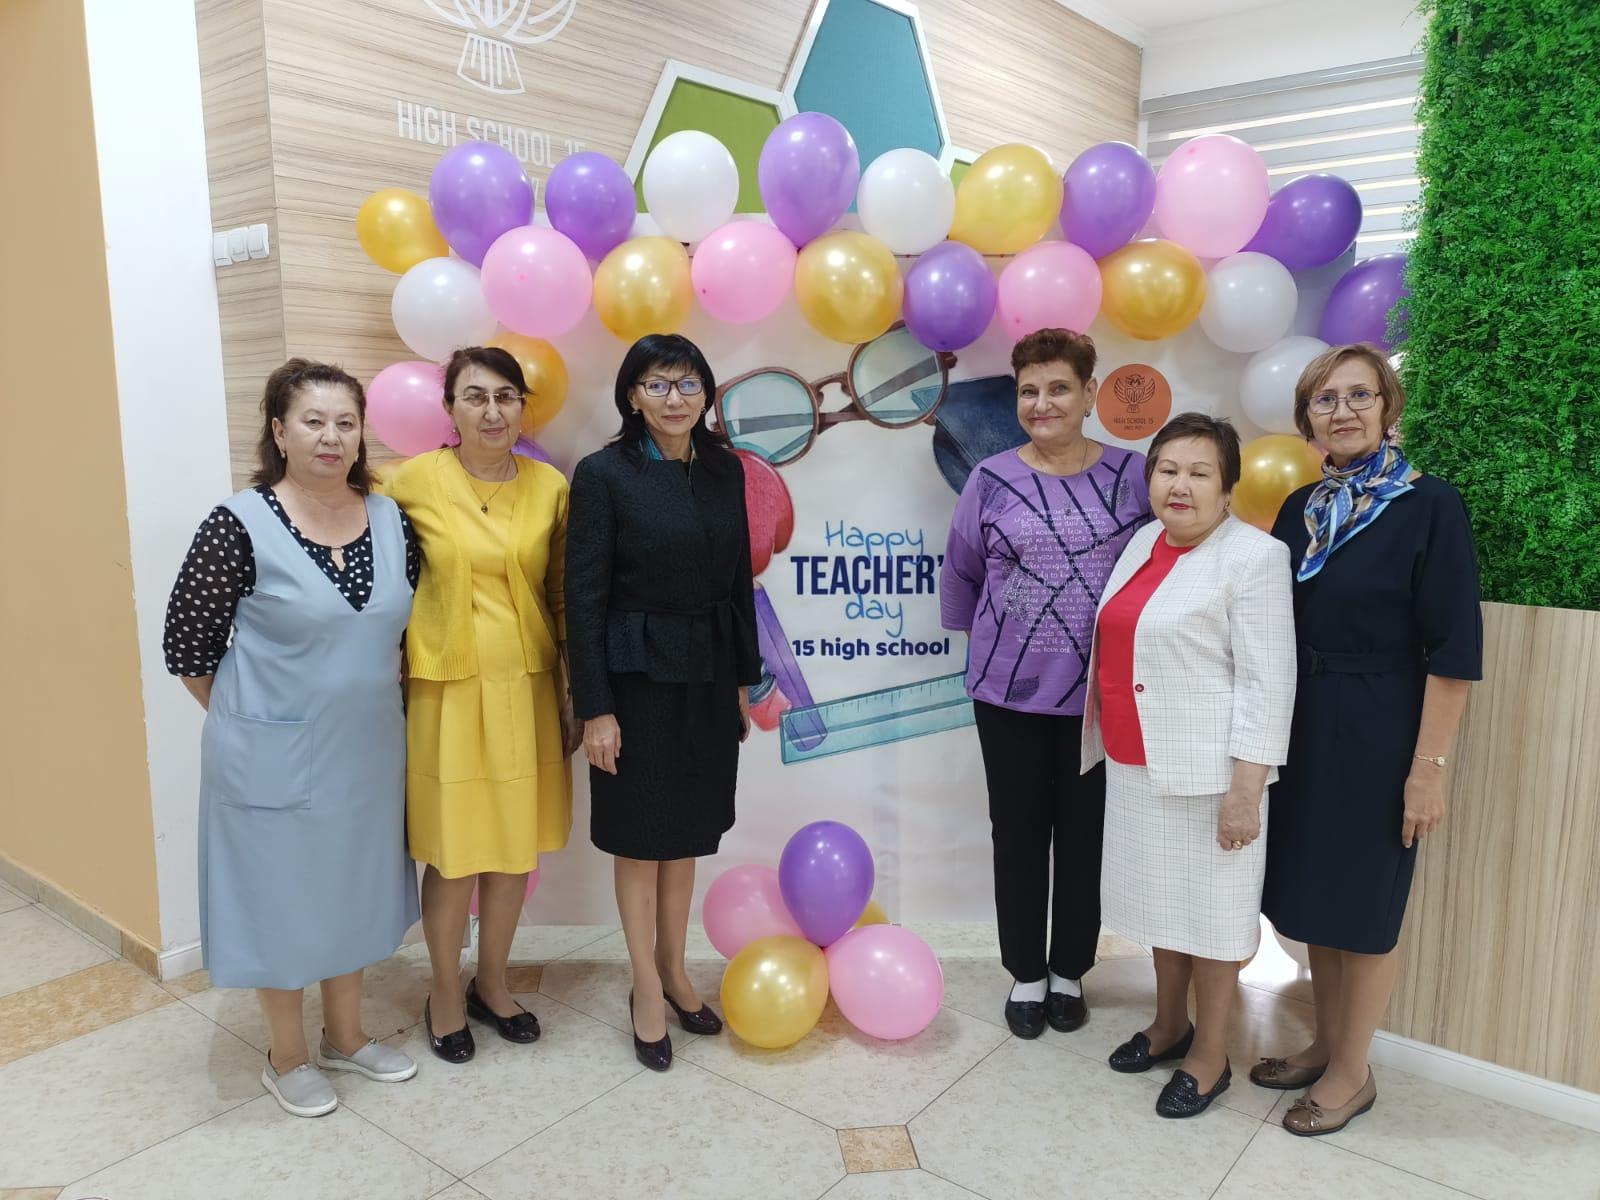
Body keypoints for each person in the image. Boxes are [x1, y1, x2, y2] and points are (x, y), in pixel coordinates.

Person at [163, 359, 421, 1118]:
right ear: (279, 432)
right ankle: (287, 1056)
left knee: (353, 888)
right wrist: (253, 722)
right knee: (276, 899)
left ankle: (347, 1035)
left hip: (367, 752)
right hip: (267, 754)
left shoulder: (391, 520)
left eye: (346, 422)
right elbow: (187, 650)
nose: (330, 436)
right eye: (313, 421)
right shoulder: (236, 524)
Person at [1255, 343, 1481, 1136]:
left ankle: (1353, 1073)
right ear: (1306, 419)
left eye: (1359, 395)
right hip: (1305, 725)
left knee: (1366, 907)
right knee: (1318, 900)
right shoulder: (1299, 510)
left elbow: (1453, 655)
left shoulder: (1430, 506)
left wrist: (1429, 769)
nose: (1343, 410)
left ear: (1388, 408)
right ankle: (1324, 1043)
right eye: (1325, 399)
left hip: (1383, 729)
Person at [940, 328, 1151, 1039]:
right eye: (1029, 391)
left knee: (1086, 837)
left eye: (1058, 387)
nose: (1042, 403)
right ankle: (1027, 973)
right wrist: (1007, 654)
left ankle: (1070, 972)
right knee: (1019, 835)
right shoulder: (989, 479)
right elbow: (963, 578)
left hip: (1100, 700)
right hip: (1008, 700)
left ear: (1090, 394)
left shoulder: (1134, 476)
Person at [1084, 412, 1296, 1118]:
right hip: (1137, 764)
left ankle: (1211, 1057)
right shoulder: (1144, 541)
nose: (1181, 485)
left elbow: (1270, 684)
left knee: (1213, 919)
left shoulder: (1254, 558)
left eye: (1200, 472)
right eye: (1168, 470)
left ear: (1228, 486)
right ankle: (1169, 1024)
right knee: (1161, 906)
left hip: (1213, 778)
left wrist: (1246, 792)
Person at [565, 334, 763, 1072]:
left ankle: (677, 970)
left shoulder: (724, 469)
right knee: (640, 836)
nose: (674, 398)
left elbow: (738, 583)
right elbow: (582, 597)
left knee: (686, 833)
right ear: (631, 396)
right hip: (636, 678)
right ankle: (645, 987)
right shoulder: (603, 474)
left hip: (708, 673)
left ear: (707, 393)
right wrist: (596, 708)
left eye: (687, 384)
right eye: (657, 384)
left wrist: (742, 678)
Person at [382, 346, 579, 1066]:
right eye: (474, 396)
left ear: (522, 406)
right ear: (450, 408)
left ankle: (491, 983)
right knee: (455, 854)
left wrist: (574, 691)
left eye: (505, 396)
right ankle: (442, 990)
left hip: (527, 686)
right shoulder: (411, 482)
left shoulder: (550, 487)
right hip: (446, 692)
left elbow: (562, 594)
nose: (492, 411)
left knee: (510, 852)